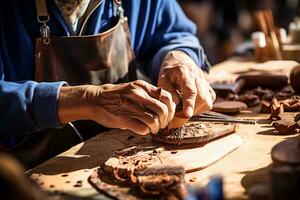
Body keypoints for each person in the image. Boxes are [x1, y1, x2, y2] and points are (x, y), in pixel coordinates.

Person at [0, 0, 215, 166]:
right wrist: (88, 101)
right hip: (23, 177)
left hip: (124, 157)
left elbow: (171, 34)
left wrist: (179, 56)